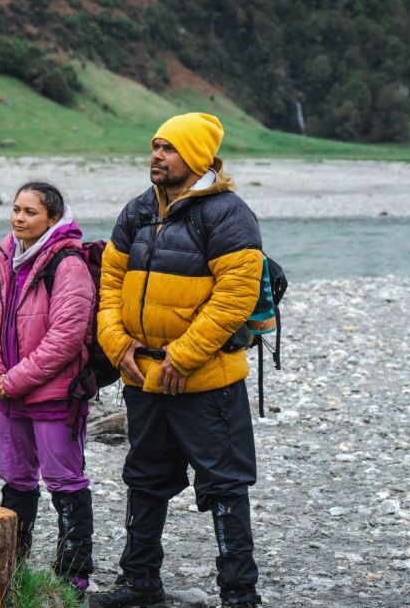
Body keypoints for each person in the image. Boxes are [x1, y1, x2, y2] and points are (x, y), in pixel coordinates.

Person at [90, 113, 264, 608]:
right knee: (144, 478)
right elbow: (109, 283)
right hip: (143, 375)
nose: (156, 156)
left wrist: (183, 357)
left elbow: (235, 296)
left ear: (197, 157)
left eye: (168, 148)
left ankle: (239, 595)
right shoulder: (140, 209)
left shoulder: (229, 213)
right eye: (155, 146)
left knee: (225, 486)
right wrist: (115, 342)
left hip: (207, 381)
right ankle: (139, 582)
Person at [0, 181, 97, 597]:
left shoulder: (68, 264)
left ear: (52, 217)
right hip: (9, 396)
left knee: (65, 482)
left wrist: (12, 380)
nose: (19, 219)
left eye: (30, 212)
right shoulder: (4, 257)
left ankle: (73, 577)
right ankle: (14, 566)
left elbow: (66, 338)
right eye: (16, 210)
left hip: (54, 396)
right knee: (15, 480)